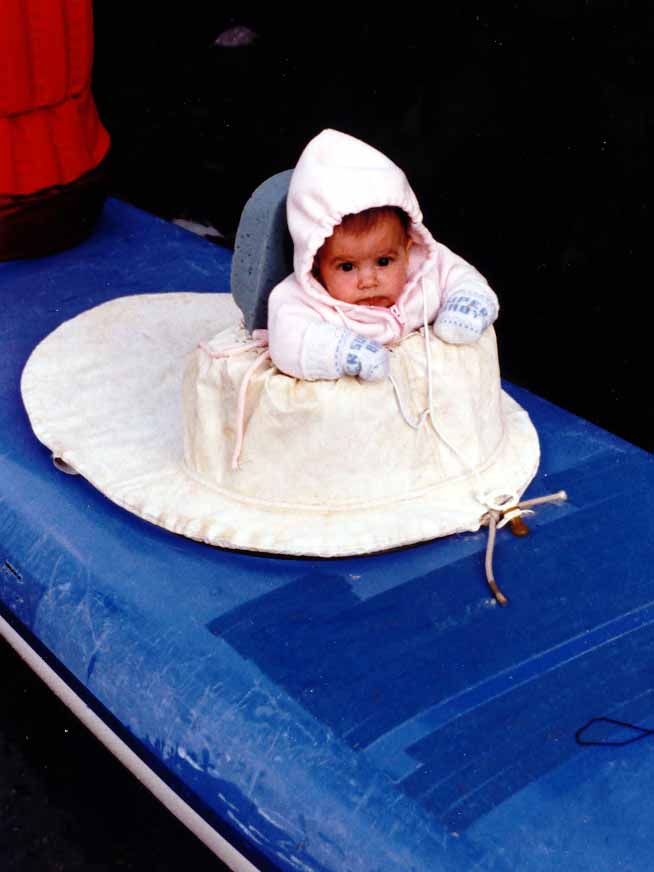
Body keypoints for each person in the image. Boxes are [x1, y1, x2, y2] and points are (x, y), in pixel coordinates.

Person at [267, 129, 499, 382]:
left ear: (407, 250)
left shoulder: (425, 267)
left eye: (383, 262)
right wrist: (343, 351)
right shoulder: (303, 299)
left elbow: (461, 275)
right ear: (316, 265)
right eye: (347, 267)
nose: (368, 281)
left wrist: (466, 303)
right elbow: (288, 336)